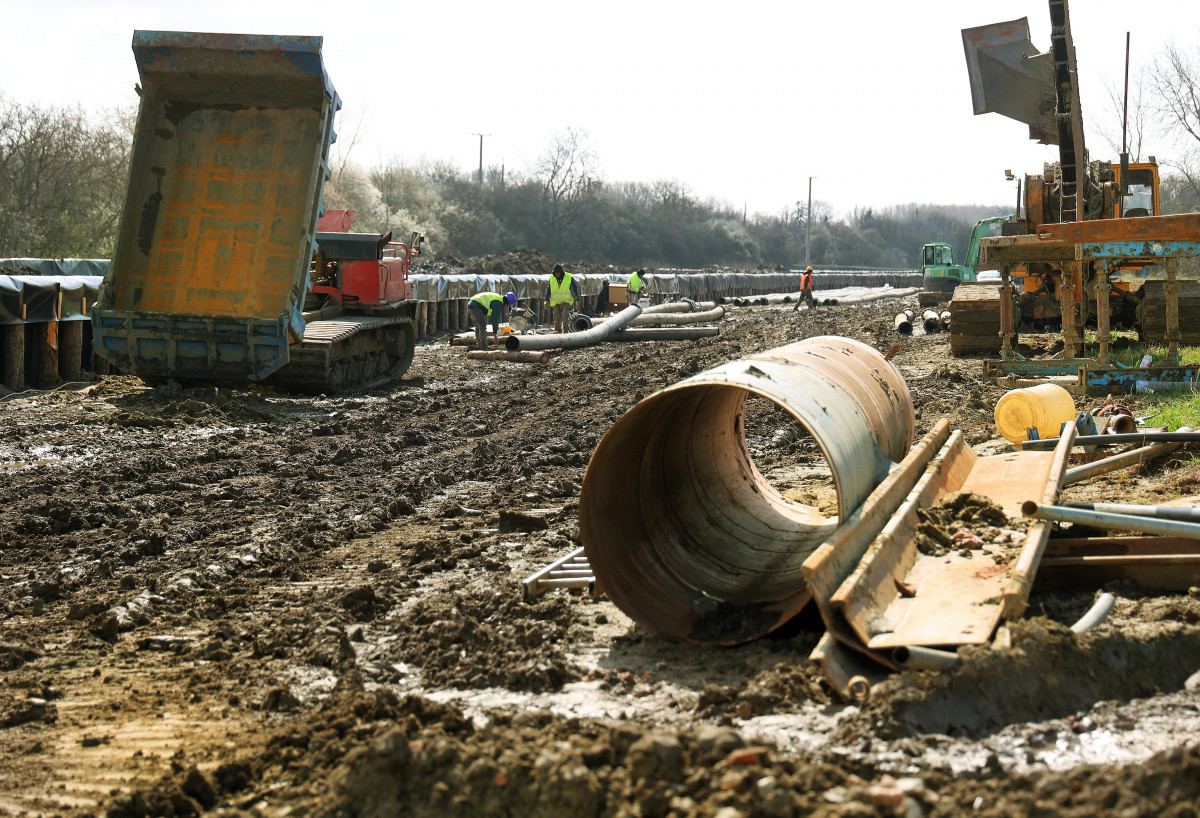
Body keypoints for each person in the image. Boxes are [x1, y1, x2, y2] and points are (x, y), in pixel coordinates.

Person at [544, 263, 580, 333]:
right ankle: (557, 332)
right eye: (556, 273)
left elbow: (574, 290)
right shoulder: (552, 278)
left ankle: (566, 331)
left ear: (561, 272)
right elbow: (549, 290)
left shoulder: (568, 277)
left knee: (565, 316)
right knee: (556, 318)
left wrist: (576, 300)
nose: (557, 274)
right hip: (556, 302)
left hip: (566, 301)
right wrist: (546, 300)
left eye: (558, 273)